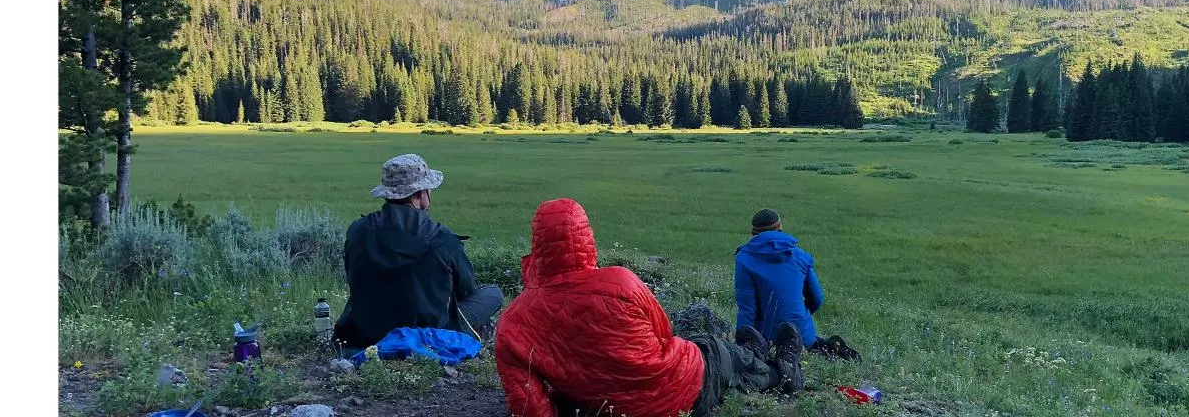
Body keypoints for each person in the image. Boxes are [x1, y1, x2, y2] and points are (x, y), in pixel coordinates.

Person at [495, 199, 805, 417]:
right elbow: (664, 333)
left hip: (603, 406)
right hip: (679, 392)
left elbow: (528, 407)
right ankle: (784, 372)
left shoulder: (512, 323)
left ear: (538, 247)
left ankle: (751, 352)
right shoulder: (620, 281)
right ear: (586, 238)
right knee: (716, 352)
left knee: (711, 350)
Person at [333, 153, 503, 349]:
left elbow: (353, 279)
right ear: (419, 194)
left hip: (366, 333)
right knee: (493, 294)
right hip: (428, 335)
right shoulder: (442, 238)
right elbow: (465, 289)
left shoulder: (358, 230)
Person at [734, 209, 824, 349]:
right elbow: (817, 299)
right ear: (780, 227)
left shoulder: (744, 259)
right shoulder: (800, 255)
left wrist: (741, 346)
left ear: (753, 233)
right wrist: (798, 317)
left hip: (767, 340)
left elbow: (747, 310)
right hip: (804, 338)